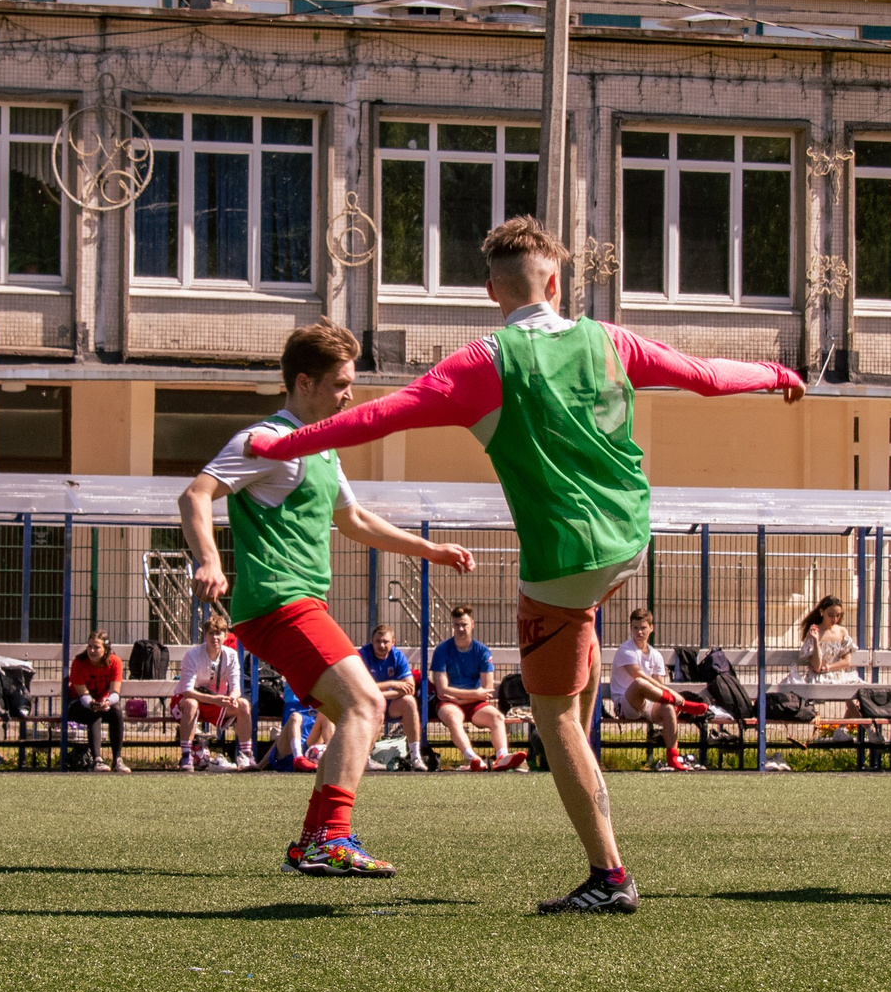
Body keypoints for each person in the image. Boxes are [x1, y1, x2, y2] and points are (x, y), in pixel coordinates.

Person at [249, 216, 803, 913]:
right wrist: (776, 373)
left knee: (556, 720)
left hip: (563, 562)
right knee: (576, 672)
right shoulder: (608, 339)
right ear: (557, 280)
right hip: (630, 539)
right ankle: (587, 683)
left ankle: (610, 877)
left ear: (491, 290)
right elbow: (703, 374)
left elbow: (379, 417)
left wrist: (287, 442)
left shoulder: (482, 362)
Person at [177, 320, 475, 872]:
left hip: (299, 604)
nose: (350, 395)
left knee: (354, 707)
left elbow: (356, 520)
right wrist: (209, 559)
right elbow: (195, 495)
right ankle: (327, 839)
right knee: (365, 703)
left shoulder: (323, 448)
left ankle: (316, 841)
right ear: (304, 382)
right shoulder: (264, 441)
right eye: (341, 383)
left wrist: (430, 551)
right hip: (276, 602)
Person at [612, 608, 699, 773]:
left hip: (648, 704)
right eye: (635, 628)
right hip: (626, 704)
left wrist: (670, 696)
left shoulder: (655, 655)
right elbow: (640, 676)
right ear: (630, 628)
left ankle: (673, 758)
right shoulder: (626, 650)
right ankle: (684, 704)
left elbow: (658, 683)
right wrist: (674, 696)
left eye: (643, 628)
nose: (639, 632)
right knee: (639, 683)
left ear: (651, 628)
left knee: (667, 708)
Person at [428, 606, 512, 772]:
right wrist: (474, 694)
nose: (461, 629)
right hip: (450, 704)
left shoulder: (482, 651)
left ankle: (502, 757)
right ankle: (473, 759)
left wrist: (462, 698)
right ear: (452, 625)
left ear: (472, 624)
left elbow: (487, 690)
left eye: (464, 624)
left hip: (473, 704)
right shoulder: (442, 651)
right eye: (457, 624)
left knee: (497, 717)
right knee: (452, 718)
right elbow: (442, 689)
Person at [172, 615, 254, 771]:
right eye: (211, 633)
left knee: (243, 704)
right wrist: (215, 699)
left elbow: (236, 687)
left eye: (219, 633)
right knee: (191, 703)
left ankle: (246, 755)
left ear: (225, 636)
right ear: (205, 635)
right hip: (187, 700)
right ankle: (186, 756)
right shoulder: (193, 655)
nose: (215, 638)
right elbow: (187, 691)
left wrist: (232, 698)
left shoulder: (231, 655)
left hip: (215, 702)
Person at [358, 624, 426, 770]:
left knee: (409, 702)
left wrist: (380, 693)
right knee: (374, 706)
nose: (381, 645)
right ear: (372, 641)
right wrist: (393, 684)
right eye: (378, 641)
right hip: (368, 704)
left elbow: (410, 688)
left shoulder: (397, 656)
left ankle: (415, 757)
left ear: (393, 642)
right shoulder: (363, 655)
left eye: (385, 642)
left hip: (389, 703)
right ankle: (365, 759)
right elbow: (362, 688)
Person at [65, 630, 128, 772]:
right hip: (78, 704)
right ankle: (97, 760)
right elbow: (83, 695)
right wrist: (92, 704)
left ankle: (117, 759)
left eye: (97, 647)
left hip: (102, 704)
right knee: (93, 713)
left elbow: (115, 692)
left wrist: (108, 702)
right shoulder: (79, 663)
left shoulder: (115, 662)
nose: (92, 650)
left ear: (106, 649)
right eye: (89, 646)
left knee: (117, 710)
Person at [798, 597, 857, 675]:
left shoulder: (842, 631)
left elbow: (847, 662)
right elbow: (817, 667)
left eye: (838, 615)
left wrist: (827, 668)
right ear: (822, 612)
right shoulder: (814, 631)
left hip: (838, 676)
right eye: (830, 615)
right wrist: (816, 640)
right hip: (818, 678)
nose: (834, 619)